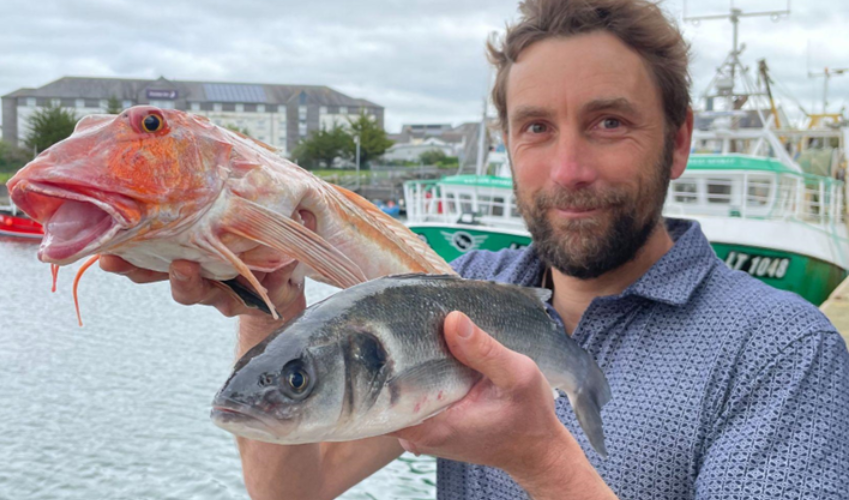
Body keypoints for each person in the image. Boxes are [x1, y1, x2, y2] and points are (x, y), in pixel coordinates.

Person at [100, 0, 849, 498]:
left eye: (609, 123)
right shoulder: (452, 293)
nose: (567, 170)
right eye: (535, 128)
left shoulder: (782, 352)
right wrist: (268, 298)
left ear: (679, 140)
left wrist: (541, 459)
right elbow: (296, 486)